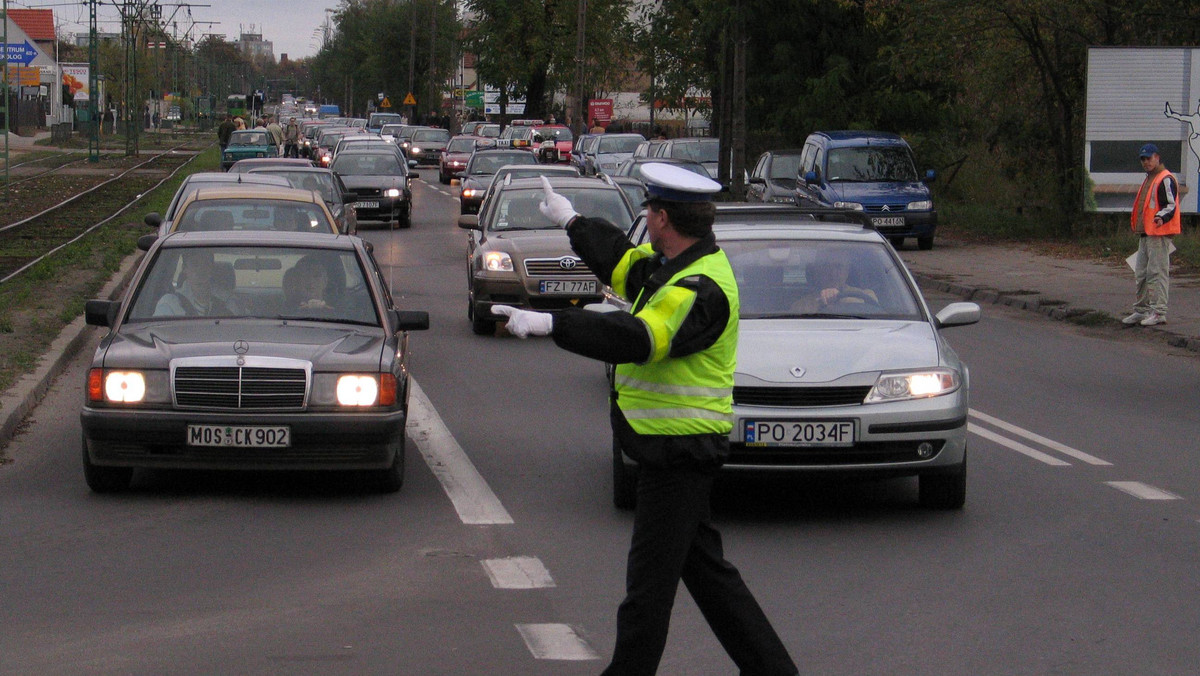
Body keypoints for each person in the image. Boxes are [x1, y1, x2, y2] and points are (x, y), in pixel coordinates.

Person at [493, 168, 799, 676]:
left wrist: (552, 323)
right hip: (672, 449)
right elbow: (625, 265)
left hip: (679, 452)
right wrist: (571, 220)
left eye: (649, 213)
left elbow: (640, 337)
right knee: (708, 578)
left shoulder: (700, 288)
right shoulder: (677, 266)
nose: (645, 222)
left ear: (661, 219)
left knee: (647, 591)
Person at [1123, 143, 1180, 327]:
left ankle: (1158, 311)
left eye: (1149, 158)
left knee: (1157, 272)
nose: (1146, 162)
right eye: (1143, 159)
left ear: (1157, 157)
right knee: (1141, 273)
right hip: (1146, 234)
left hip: (1159, 233)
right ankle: (1141, 310)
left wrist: (1160, 218)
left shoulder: (1164, 178)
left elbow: (1171, 205)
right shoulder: (1150, 178)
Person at [791, 250, 878, 314]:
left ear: (847, 271)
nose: (832, 273)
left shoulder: (867, 296)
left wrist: (840, 297)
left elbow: (875, 315)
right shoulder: (802, 304)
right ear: (816, 271)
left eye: (838, 267)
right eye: (826, 266)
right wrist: (820, 302)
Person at [154, 250, 231, 317]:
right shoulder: (169, 303)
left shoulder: (227, 301)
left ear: (212, 268)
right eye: (194, 264)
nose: (200, 269)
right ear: (184, 268)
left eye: (206, 264)